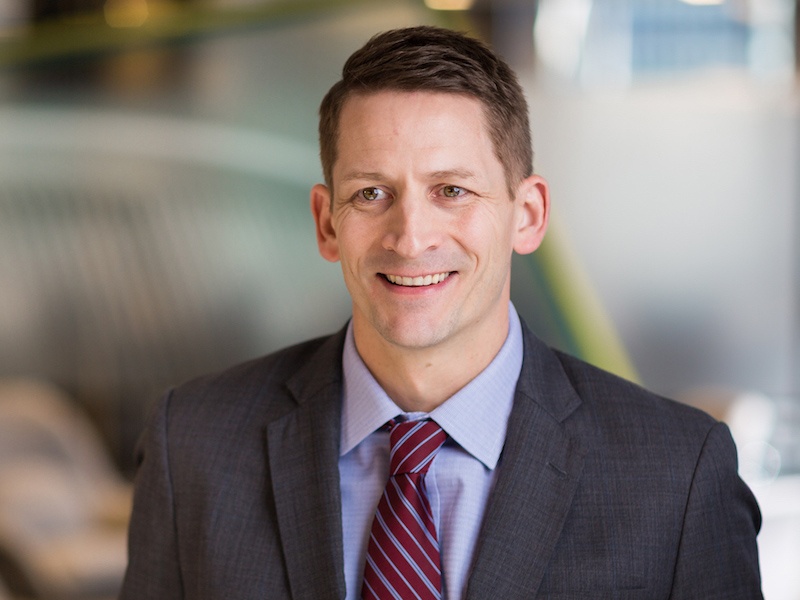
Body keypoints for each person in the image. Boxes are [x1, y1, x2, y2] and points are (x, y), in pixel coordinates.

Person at [120, 25, 763, 599]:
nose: (410, 237)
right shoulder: (193, 447)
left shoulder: (678, 472)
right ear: (326, 222)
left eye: (451, 190)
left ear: (527, 215)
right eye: (371, 193)